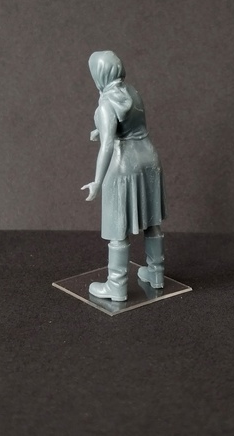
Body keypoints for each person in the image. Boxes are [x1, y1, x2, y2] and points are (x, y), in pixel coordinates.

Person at [81, 51, 166, 301]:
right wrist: (100, 129)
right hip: (149, 159)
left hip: (123, 165)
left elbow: (108, 145)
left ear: (99, 75)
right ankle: (156, 273)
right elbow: (131, 122)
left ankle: (116, 285)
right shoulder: (132, 91)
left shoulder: (106, 105)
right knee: (152, 222)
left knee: (117, 227)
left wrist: (97, 181)